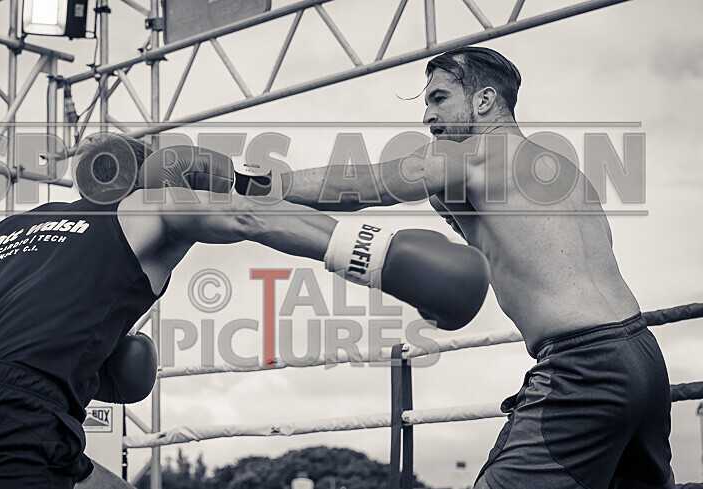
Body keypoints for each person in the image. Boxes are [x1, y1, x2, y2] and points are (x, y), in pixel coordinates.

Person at [0, 134, 490, 489]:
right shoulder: (143, 208)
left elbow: (13, 338)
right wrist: (384, 257)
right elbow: (246, 216)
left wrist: (104, 360)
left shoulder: (11, 229)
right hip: (13, 422)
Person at [260, 47, 674, 489]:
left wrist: (263, 184)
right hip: (643, 356)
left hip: (584, 367)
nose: (427, 116)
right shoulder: (564, 171)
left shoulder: (477, 154)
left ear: (484, 100)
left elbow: (366, 184)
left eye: (439, 98)